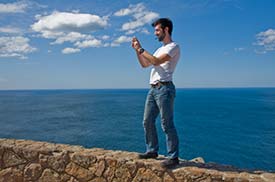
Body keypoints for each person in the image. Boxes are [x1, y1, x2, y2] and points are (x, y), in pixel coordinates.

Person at [131, 18, 180, 168]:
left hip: (165, 89)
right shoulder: (159, 49)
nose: (155, 33)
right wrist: (137, 51)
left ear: (166, 30)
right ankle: (152, 150)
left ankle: (173, 157)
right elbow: (145, 64)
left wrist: (141, 49)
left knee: (166, 124)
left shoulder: (173, 47)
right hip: (153, 89)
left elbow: (156, 61)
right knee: (147, 121)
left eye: (158, 30)